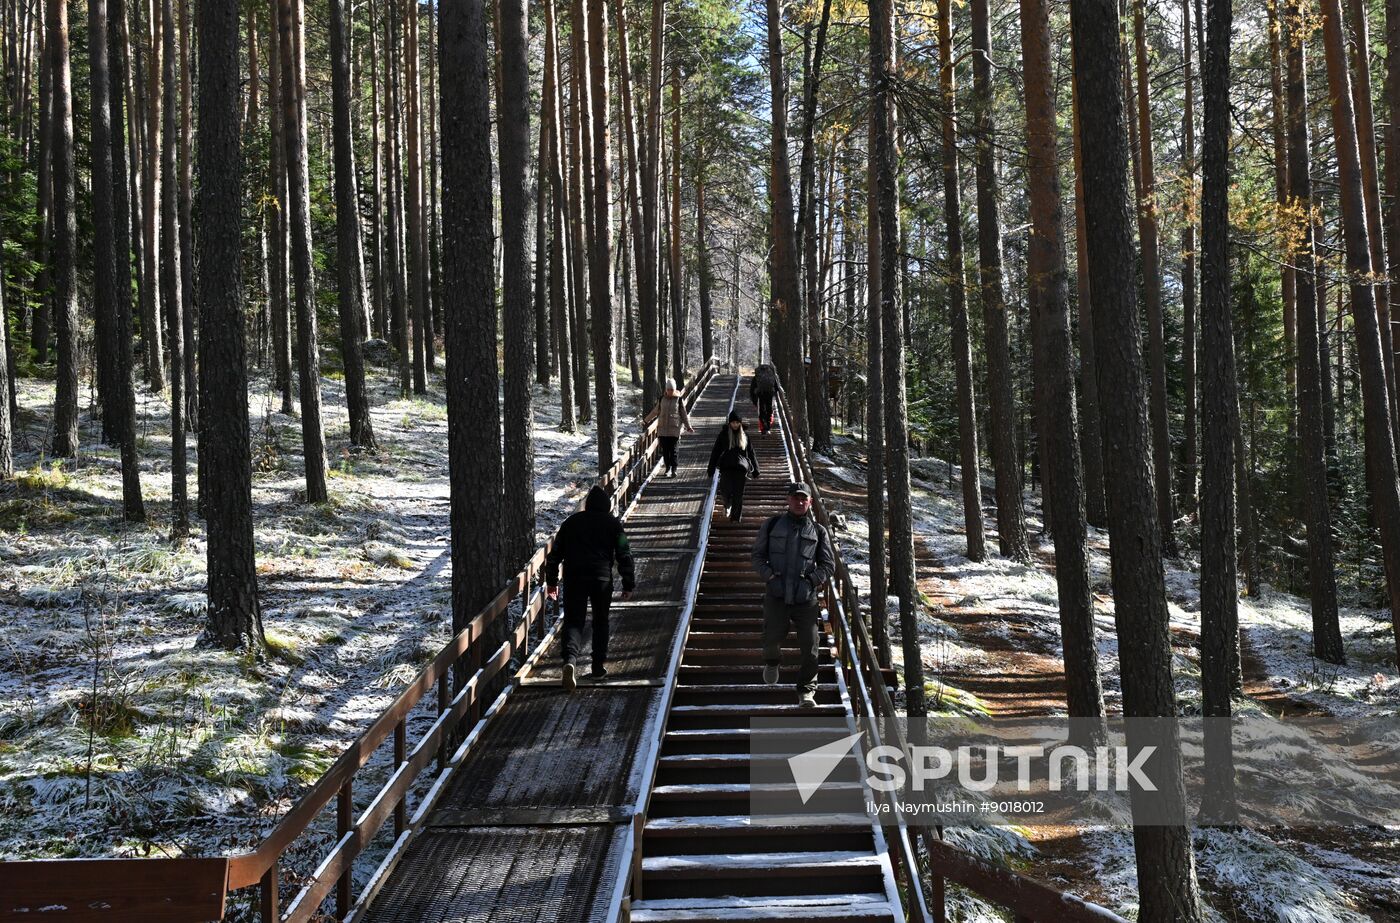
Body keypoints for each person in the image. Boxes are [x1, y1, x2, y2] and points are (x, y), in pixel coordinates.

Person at [751, 481, 834, 707]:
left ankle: (806, 692)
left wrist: (811, 582)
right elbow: (757, 557)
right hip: (776, 595)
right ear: (788, 500)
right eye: (795, 498)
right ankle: (772, 661)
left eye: (803, 498)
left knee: (811, 646)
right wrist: (769, 576)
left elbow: (828, 565)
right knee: (770, 639)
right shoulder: (772, 525)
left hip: (805, 599)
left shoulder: (818, 531)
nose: (799, 502)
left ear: (810, 502)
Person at [545, 484, 636, 690]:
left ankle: (570, 660)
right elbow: (624, 554)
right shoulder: (613, 525)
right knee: (600, 621)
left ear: (587, 505)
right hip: (601, 578)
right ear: (607, 506)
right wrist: (628, 582)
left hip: (574, 577)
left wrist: (551, 581)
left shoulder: (571, 522)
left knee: (573, 620)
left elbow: (554, 555)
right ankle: (597, 667)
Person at [707, 410, 760, 522]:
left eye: (737, 422)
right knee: (725, 491)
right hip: (726, 467)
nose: (735, 424)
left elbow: (751, 452)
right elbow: (715, 451)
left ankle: (735, 519)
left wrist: (756, 469)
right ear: (729, 423)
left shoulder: (745, 436)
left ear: (740, 423)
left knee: (738, 494)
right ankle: (727, 504)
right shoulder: (724, 435)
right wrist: (711, 468)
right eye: (733, 422)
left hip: (741, 469)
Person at [656, 377, 695, 478]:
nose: (670, 391)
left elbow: (683, 414)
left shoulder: (679, 399)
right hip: (663, 430)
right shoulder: (661, 399)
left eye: (672, 389)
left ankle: (674, 469)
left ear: (675, 389)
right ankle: (667, 468)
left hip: (674, 429)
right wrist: (645, 420)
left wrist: (688, 426)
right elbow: (655, 411)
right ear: (666, 389)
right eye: (668, 389)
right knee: (665, 451)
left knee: (673, 451)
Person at [749, 363, 782, 435]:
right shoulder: (772, 376)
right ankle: (768, 427)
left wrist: (754, 400)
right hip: (770, 395)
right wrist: (774, 394)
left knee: (762, 411)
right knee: (769, 410)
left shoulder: (756, 377)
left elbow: (752, 390)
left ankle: (763, 428)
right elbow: (777, 388)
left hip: (760, 395)